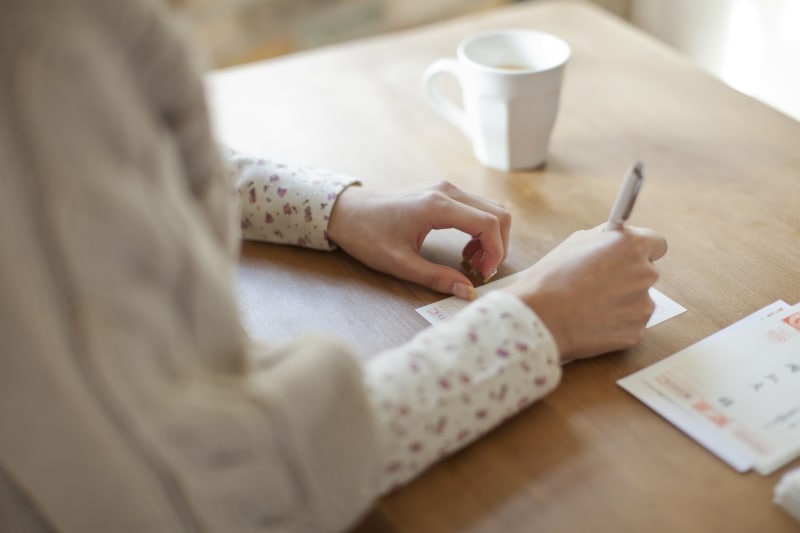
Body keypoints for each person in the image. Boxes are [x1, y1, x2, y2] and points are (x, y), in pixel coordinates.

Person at [0, 0, 667, 531]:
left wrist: (334, 208)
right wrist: (535, 322)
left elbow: (107, 158)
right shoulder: (41, 55)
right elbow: (227, 496)